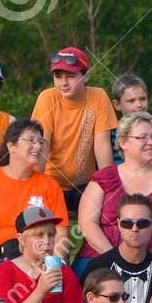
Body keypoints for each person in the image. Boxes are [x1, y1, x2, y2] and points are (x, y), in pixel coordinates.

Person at [76, 110, 152, 262]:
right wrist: (113, 257)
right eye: (142, 137)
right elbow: (87, 223)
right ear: (123, 142)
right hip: (105, 258)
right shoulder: (104, 179)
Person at [0, 118, 69, 276]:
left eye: (40, 142)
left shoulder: (49, 185)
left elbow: (61, 235)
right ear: (11, 146)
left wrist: (51, 268)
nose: (37, 146)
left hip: (39, 262)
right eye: (31, 140)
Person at [30, 47, 116, 214]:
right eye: (58, 76)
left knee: (107, 208)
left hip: (85, 186)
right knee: (37, 212)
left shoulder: (98, 97)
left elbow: (102, 145)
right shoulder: (47, 98)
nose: (64, 83)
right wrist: (35, 186)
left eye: (71, 76)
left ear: (86, 76)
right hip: (51, 182)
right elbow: (42, 144)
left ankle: (94, 240)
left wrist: (107, 186)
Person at [82, 194, 152, 303]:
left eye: (142, 223)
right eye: (127, 223)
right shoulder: (96, 268)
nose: (134, 229)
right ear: (118, 225)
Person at [106, 74, 152, 165]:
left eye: (143, 99)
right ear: (117, 104)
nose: (139, 105)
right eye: (131, 101)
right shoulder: (110, 134)